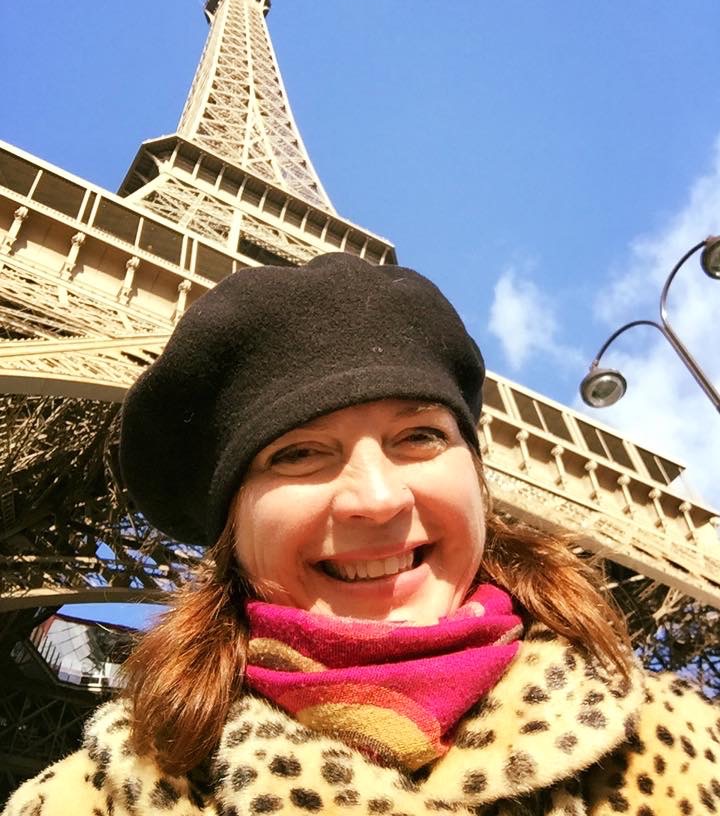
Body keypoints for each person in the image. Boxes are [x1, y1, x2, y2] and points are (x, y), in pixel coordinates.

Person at [4, 253, 718, 816]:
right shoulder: (94, 802)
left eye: (418, 435)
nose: (377, 501)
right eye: (297, 453)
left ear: (477, 475)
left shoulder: (690, 751)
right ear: (231, 530)